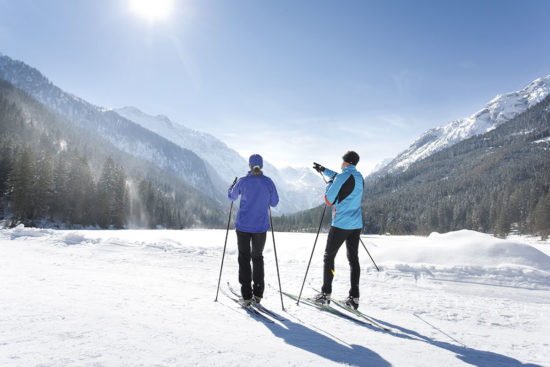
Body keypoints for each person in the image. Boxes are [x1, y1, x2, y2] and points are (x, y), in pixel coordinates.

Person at [312, 151, 364, 310]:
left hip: (341, 224)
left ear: (346, 162)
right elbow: (340, 177)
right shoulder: (359, 176)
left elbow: (328, 200)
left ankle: (325, 294)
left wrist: (329, 184)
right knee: (353, 260)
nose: (341, 164)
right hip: (356, 225)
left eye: (342, 161)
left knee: (329, 257)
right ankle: (354, 298)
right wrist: (324, 170)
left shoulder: (342, 177)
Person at [228, 154, 279, 305]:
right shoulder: (268, 182)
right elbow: (274, 202)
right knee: (257, 258)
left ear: (249, 166)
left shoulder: (243, 181)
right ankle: (258, 294)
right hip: (260, 227)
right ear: (261, 166)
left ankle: (246, 296)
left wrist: (231, 187)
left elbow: (232, 197)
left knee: (244, 258)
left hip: (243, 226)